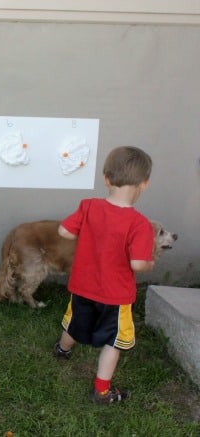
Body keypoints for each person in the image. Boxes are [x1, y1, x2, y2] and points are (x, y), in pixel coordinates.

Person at [53, 145, 154, 404]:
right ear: (144, 184)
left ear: (106, 178)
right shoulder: (140, 224)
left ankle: (62, 350)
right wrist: (149, 264)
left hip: (82, 286)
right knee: (113, 341)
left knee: (75, 322)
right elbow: (138, 263)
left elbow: (64, 231)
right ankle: (101, 391)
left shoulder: (88, 207)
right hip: (115, 295)